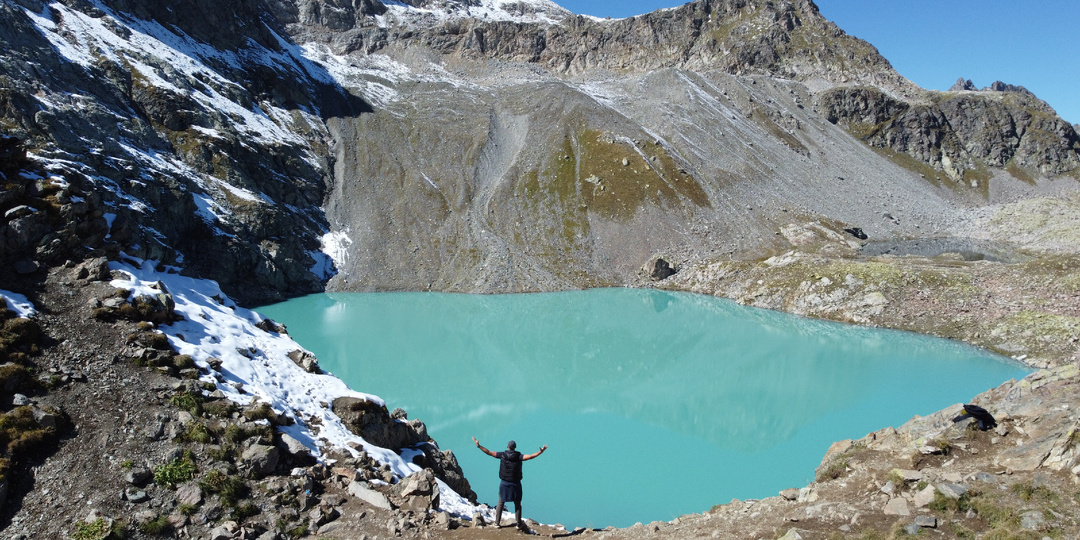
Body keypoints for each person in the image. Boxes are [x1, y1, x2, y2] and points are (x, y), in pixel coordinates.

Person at [472, 437, 548, 530]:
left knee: (501, 502)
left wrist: (479, 446)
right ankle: (519, 524)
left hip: (504, 483)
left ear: (507, 447)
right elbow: (531, 456)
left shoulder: (502, 455)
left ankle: (497, 523)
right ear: (515, 447)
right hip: (516, 483)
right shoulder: (519, 456)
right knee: (517, 503)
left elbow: (489, 452)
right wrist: (541, 452)